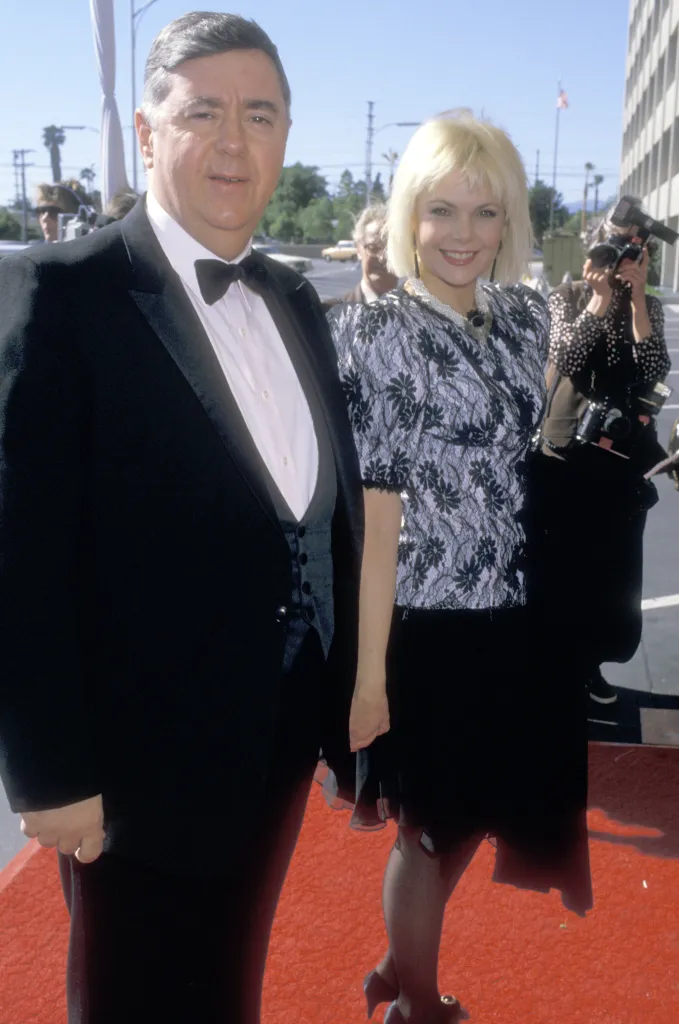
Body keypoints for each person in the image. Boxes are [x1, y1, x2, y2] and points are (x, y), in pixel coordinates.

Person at [0, 12, 362, 1024]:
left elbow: (317, 509)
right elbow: (20, 555)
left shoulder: (292, 299)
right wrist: (49, 771)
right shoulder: (61, 294)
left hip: (277, 731)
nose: (235, 140)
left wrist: (343, 697)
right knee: (133, 997)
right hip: (130, 766)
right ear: (151, 133)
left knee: (226, 977)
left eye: (261, 113)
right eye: (203, 111)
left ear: (288, 136)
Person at [321, 110, 592, 1024]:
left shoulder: (523, 314)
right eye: (442, 211)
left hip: (514, 615)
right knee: (430, 830)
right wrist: (367, 680)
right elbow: (378, 514)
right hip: (424, 625)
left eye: (485, 213)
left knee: (478, 810)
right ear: (409, 216)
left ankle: (401, 959)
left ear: (510, 220)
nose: (463, 235)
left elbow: (548, 440)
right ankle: (417, 1003)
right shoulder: (381, 332)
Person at [536, 207, 671, 705]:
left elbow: (655, 367)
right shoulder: (567, 297)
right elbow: (567, 357)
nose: (615, 264)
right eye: (608, 252)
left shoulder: (648, 307)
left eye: (627, 256)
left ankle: (590, 664)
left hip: (621, 462)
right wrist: (598, 300)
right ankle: (554, 663)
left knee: (610, 572)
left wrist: (636, 300)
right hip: (566, 454)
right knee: (560, 565)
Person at [322, 202, 398, 309]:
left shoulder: (418, 314)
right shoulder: (331, 313)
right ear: (358, 250)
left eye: (390, 249)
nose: (382, 257)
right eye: (373, 248)